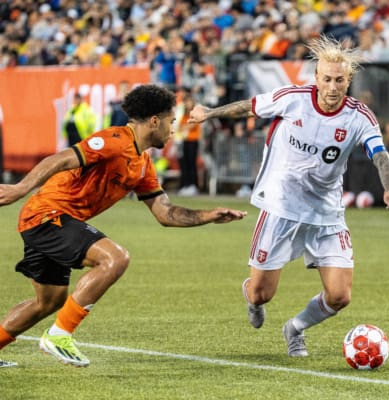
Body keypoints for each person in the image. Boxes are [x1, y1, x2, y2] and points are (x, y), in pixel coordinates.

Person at [0, 84, 247, 368]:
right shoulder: (116, 140)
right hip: (48, 215)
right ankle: (60, 334)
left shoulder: (142, 164)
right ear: (154, 121)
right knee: (115, 258)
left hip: (51, 220)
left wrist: (209, 215)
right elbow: (61, 158)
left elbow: (164, 213)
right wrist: (20, 189)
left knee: (49, 301)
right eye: (170, 121)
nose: (172, 128)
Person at [188, 36, 389, 357]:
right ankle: (251, 295)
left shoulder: (360, 117)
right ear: (316, 78)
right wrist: (210, 112)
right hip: (280, 208)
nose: (333, 87)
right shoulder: (292, 99)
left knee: (340, 296)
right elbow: (250, 106)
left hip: (326, 214)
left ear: (349, 80)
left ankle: (296, 328)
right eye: (327, 79)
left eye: (340, 80)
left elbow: (380, 156)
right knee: (262, 294)